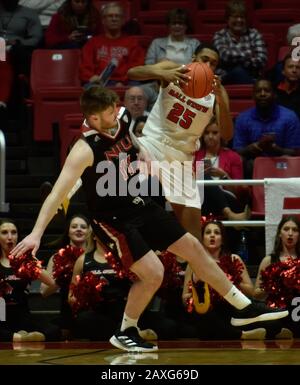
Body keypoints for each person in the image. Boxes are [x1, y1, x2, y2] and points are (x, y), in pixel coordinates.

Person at [10, 86, 288, 353]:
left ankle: (243, 308)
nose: (117, 110)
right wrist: (36, 234)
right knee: (153, 273)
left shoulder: (120, 117)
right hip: (113, 220)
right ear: (94, 118)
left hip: (139, 203)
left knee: (192, 246)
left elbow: (131, 140)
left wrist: (143, 155)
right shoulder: (83, 149)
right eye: (110, 109)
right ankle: (126, 330)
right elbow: (56, 195)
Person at [127, 42, 234, 240]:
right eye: (205, 59)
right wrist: (161, 74)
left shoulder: (217, 91)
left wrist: (220, 100)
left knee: (193, 235)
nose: (209, 66)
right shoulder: (173, 69)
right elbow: (132, 72)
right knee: (117, 143)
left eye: (214, 63)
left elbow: (227, 134)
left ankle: (193, 270)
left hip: (181, 157)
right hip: (152, 143)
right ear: (193, 58)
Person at [182, 219, 268, 340]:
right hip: (208, 310)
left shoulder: (234, 259)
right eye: (208, 232)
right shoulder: (194, 263)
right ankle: (242, 335)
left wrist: (231, 280)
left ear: (222, 239)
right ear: (202, 238)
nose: (212, 235)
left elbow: (251, 291)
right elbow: (185, 297)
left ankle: (275, 330)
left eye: (217, 233)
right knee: (206, 319)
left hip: (231, 308)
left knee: (269, 322)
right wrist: (197, 294)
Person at [0, 218, 60, 342]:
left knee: (54, 330)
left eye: (14, 232)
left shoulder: (25, 260)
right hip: (1, 316)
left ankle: (20, 337)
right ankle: (19, 338)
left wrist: (31, 261)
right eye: (4, 232)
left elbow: (51, 282)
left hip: (22, 314)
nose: (10, 237)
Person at [233, 78, 300, 178]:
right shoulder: (243, 118)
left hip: (281, 164)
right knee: (242, 161)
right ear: (253, 96)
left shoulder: (289, 117)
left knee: (288, 159)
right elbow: (237, 152)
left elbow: (295, 152)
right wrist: (250, 148)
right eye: (258, 91)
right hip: (254, 165)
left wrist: (275, 149)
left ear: (274, 94)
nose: (262, 94)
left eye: (267, 91)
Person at [40, 214, 93, 337]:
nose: (79, 229)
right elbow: (44, 292)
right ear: (68, 232)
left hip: (93, 313)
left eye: (83, 227)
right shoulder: (56, 258)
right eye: (74, 226)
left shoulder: (96, 256)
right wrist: (61, 278)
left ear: (89, 232)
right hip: (67, 313)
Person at [195, 117, 250, 220]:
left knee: (206, 182)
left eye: (215, 133)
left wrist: (223, 176)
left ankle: (228, 212)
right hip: (200, 198)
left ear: (221, 135)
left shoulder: (233, 157)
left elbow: (238, 191)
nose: (210, 137)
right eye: (206, 133)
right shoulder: (194, 155)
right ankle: (230, 215)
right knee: (203, 177)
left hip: (228, 198)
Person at [79, 1, 145, 87]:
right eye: (110, 16)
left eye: (117, 16)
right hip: (98, 83)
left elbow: (135, 68)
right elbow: (84, 67)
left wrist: (123, 82)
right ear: (103, 20)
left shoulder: (132, 42)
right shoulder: (92, 43)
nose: (114, 19)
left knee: (135, 88)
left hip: (124, 83)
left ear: (123, 20)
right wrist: (91, 77)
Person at [254, 215, 300, 338]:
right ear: (280, 233)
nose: (290, 233)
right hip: (275, 316)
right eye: (286, 229)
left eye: (295, 230)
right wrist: (270, 285)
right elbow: (256, 294)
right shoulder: (269, 261)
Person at [212, 0, 267, 84]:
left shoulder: (254, 34)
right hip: (226, 79)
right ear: (227, 18)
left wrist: (234, 61)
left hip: (251, 77)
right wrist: (249, 57)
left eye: (242, 17)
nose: (239, 20)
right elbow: (224, 56)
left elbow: (261, 60)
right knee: (238, 71)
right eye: (235, 17)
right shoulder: (220, 35)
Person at [275, 53, 300, 119]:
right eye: (290, 67)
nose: (294, 70)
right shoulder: (272, 91)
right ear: (283, 71)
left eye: (298, 67)